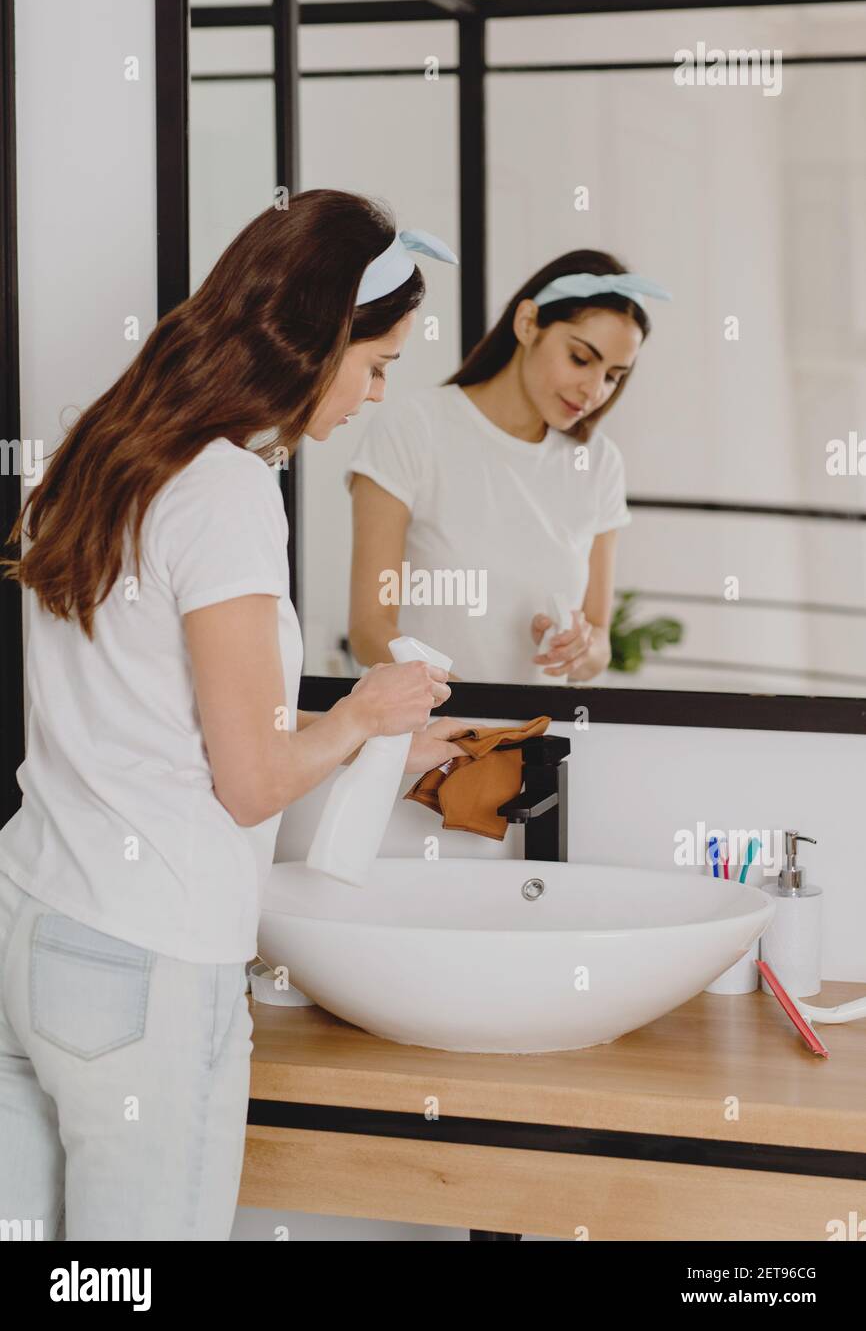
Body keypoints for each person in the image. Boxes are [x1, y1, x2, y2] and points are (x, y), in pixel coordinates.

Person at [0, 190, 467, 1240]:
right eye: (379, 362)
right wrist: (358, 713)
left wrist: (374, 741)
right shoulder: (227, 491)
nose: (379, 393)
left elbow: (169, 708)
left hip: (31, 922)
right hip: (147, 962)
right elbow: (248, 778)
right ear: (318, 340)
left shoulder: (99, 448)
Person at [346, 250, 671, 684]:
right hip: (437, 736)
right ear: (527, 323)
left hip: (542, 739)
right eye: (580, 358)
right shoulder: (414, 429)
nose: (594, 390)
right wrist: (465, 708)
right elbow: (370, 630)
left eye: (613, 376)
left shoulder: (599, 464)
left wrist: (578, 647)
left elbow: (599, 646)